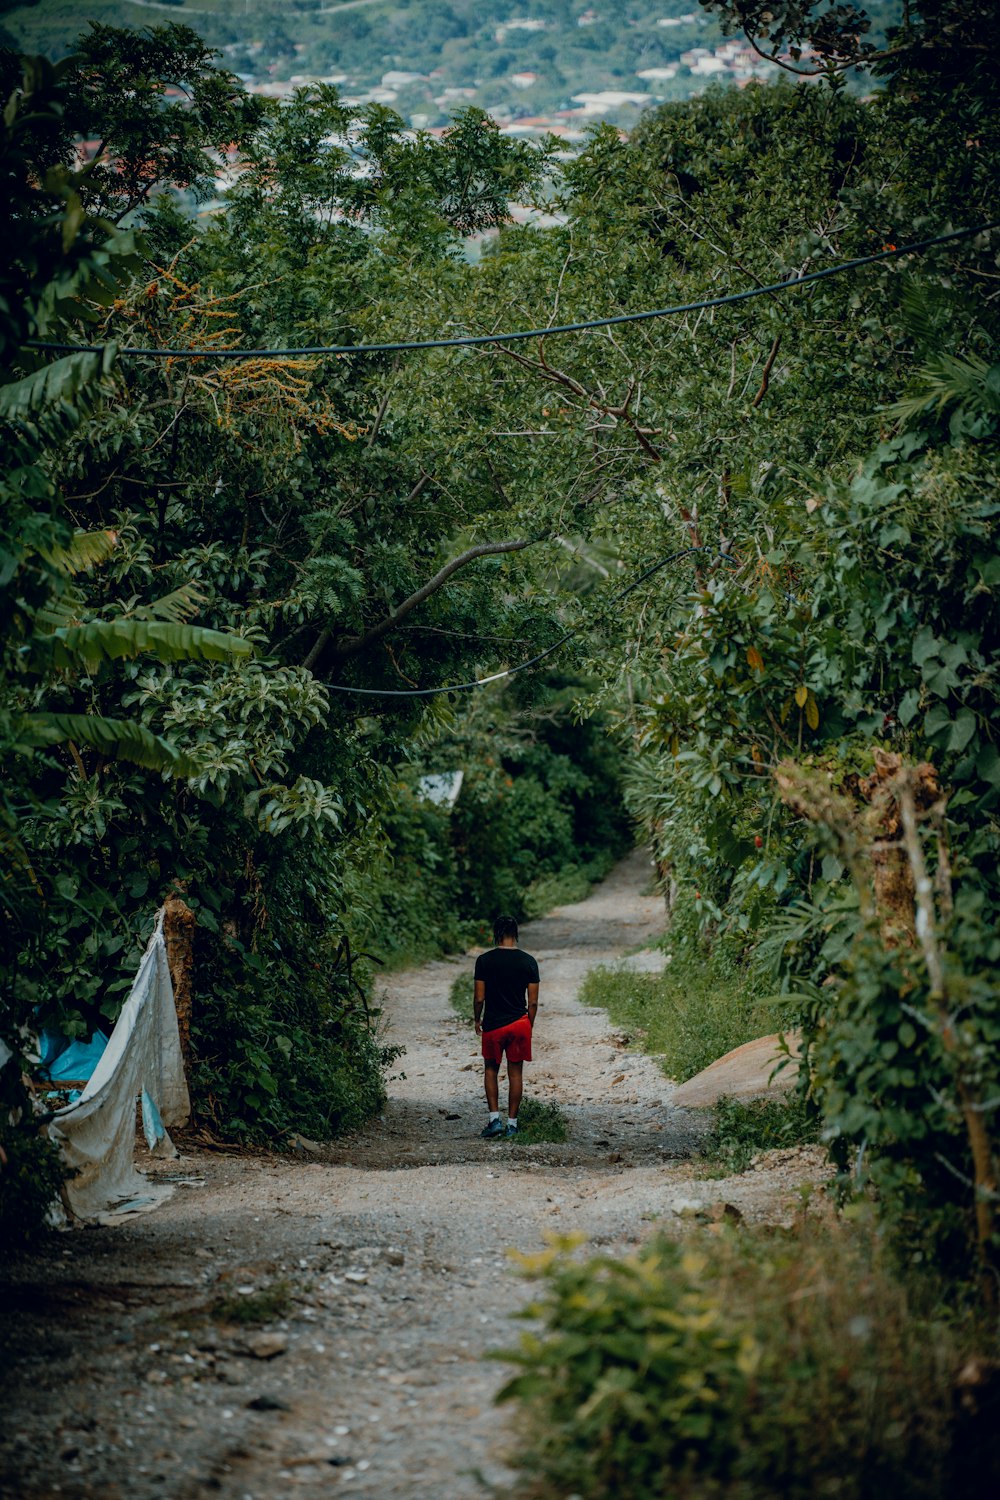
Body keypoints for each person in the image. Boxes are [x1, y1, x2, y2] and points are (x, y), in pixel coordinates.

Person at [473, 915, 539, 1138]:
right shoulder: (529, 961)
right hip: (519, 1023)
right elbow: (533, 1001)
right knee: (516, 1073)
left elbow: (479, 998)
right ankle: (512, 1124)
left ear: (497, 934)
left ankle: (494, 1121)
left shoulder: (484, 961)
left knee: (491, 1070)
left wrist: (476, 1019)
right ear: (515, 934)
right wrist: (529, 1023)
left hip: (493, 1024)